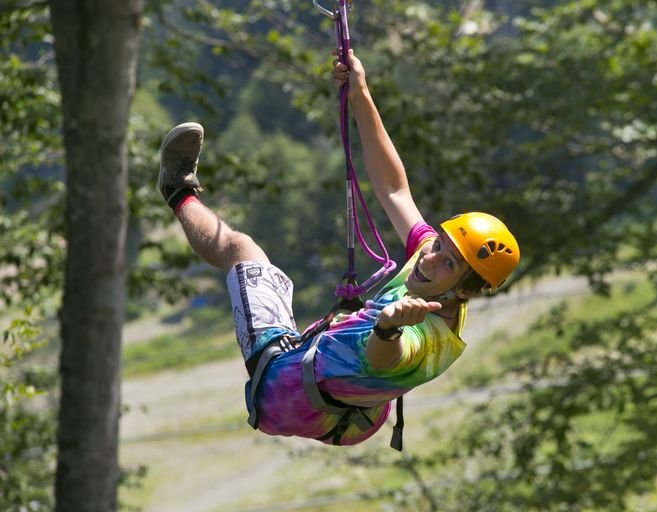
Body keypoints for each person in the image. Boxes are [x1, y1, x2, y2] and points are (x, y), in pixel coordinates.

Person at [156, 49, 520, 448]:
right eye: (440, 245)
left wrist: (388, 328)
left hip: (288, 394)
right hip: (355, 412)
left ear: (464, 291)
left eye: (446, 261)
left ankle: (177, 190)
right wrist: (360, 92)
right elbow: (394, 189)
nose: (428, 256)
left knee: (243, 250)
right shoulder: (433, 266)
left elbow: (388, 358)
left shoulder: (429, 341)